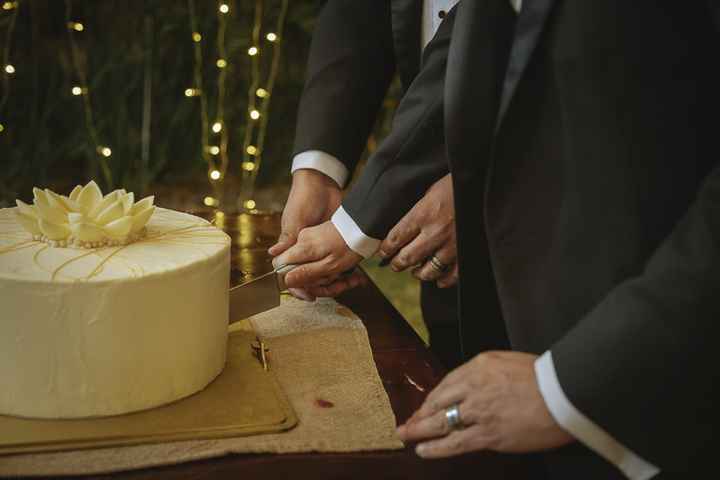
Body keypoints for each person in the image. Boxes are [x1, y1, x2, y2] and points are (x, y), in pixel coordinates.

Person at [275, 0, 720, 478]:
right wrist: (356, 219)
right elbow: (473, 36)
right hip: (517, 359)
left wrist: (567, 386)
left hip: (654, 376)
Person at [269, 1, 468, 368]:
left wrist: (358, 222)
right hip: (445, 276)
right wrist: (317, 172)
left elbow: (482, 38)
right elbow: (356, 16)